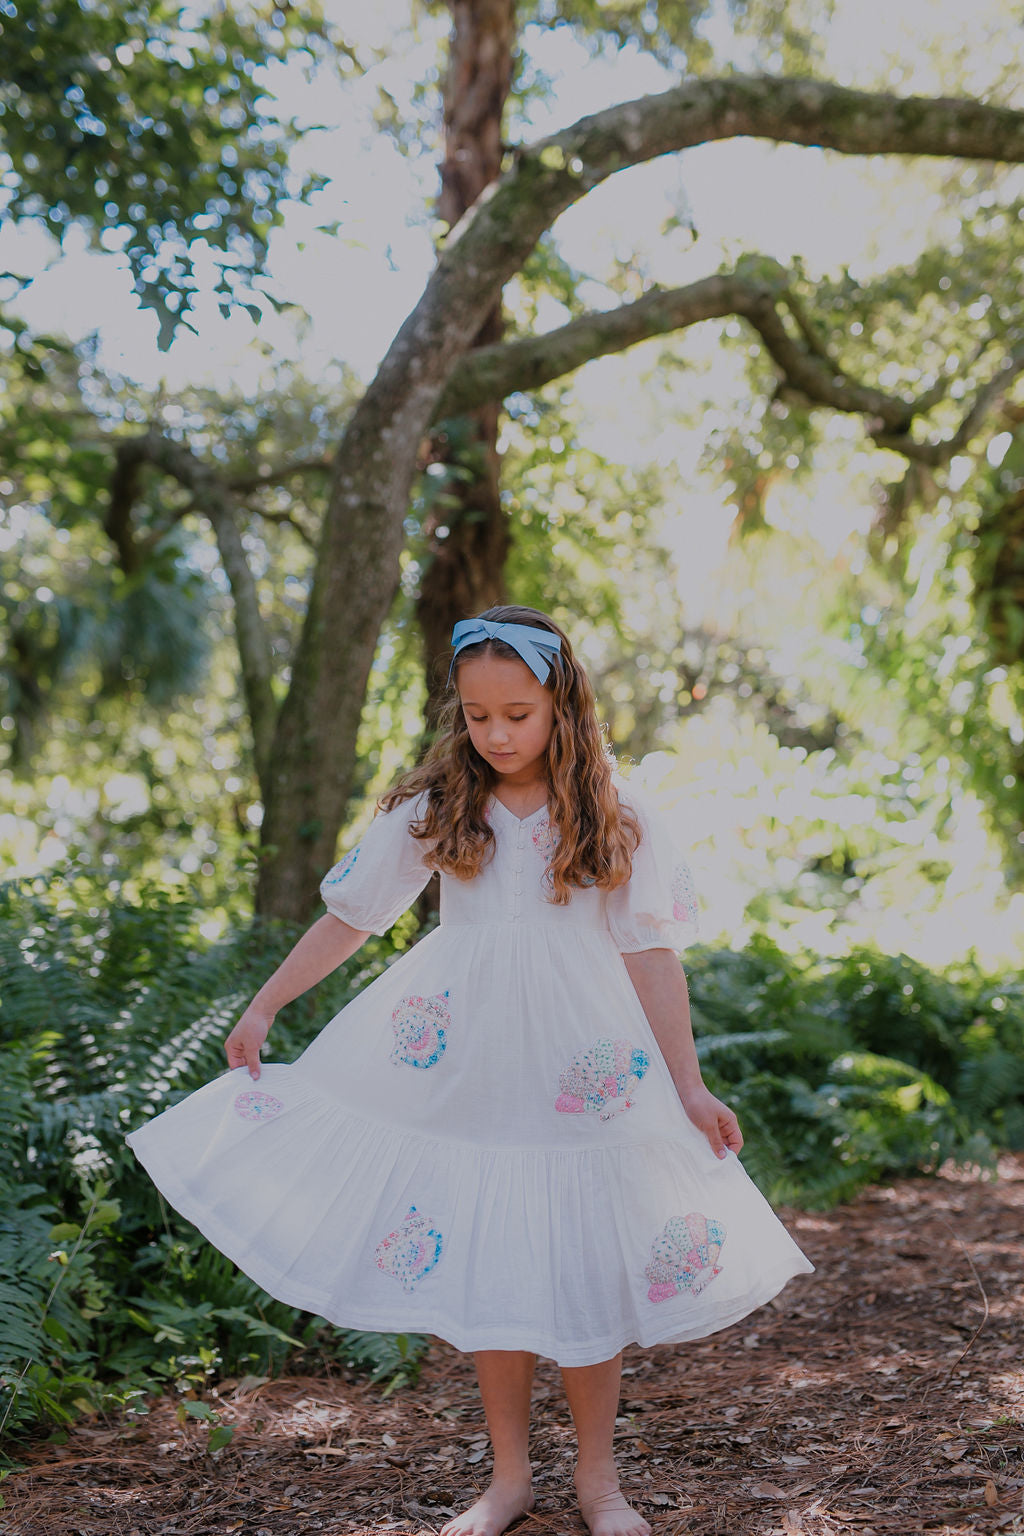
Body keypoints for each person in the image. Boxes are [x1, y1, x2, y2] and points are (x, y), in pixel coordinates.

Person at [127, 605, 813, 1536]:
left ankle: (600, 1483)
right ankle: (508, 1480)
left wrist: (690, 1085)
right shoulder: (441, 805)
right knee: (496, 1268)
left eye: (517, 715)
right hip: (469, 1060)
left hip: (589, 1068)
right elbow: (352, 916)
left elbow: (652, 953)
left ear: (562, 704)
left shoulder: (617, 810)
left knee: (582, 1266)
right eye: (479, 715)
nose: (496, 734)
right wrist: (264, 1004)